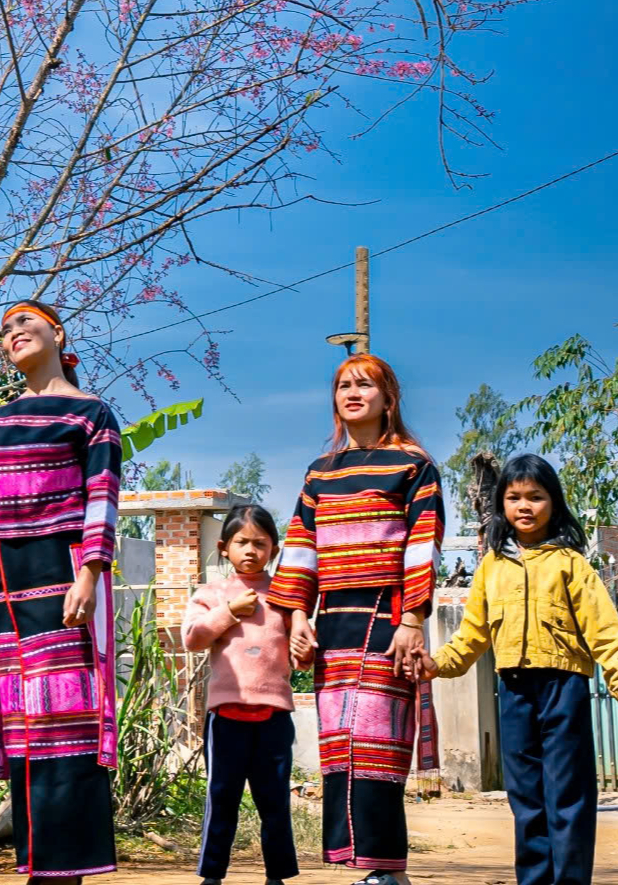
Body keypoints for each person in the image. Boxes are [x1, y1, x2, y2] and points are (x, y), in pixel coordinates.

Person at [408, 454, 618, 885]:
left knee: (567, 795)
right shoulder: (492, 565)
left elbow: (604, 631)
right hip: (514, 690)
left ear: (554, 503)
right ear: (502, 505)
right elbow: (473, 633)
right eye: (513, 497)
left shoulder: (571, 564)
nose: (524, 506)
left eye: (535, 497)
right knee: (525, 798)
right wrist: (439, 665)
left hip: (564, 687)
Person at [268, 353, 443, 885]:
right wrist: (298, 616)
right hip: (333, 625)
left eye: (365, 384)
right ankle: (367, 865)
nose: (352, 392)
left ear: (389, 398)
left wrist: (412, 620)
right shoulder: (319, 473)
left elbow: (422, 545)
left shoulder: (413, 466)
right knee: (339, 743)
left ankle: (386, 868)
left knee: (377, 743)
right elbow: (300, 547)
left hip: (389, 619)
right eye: (344, 384)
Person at [0, 300, 122, 882]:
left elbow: (102, 497)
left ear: (57, 333)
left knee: (69, 724)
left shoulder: (91, 414)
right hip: (4, 587)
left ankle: (70, 871)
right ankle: (36, 866)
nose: (14, 333)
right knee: (25, 731)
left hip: (65, 581)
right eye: (5, 329)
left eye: (25, 322)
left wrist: (90, 572)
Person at [181, 503, 299, 885]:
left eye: (260, 544)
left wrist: (306, 649)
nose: (251, 551)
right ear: (224, 548)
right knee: (222, 800)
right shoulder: (211, 594)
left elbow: (302, 648)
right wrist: (229, 611)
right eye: (242, 542)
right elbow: (192, 639)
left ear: (274, 551)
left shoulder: (284, 596)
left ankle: (277, 877)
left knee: (275, 803)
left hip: (274, 718)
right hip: (226, 718)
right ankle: (211, 876)